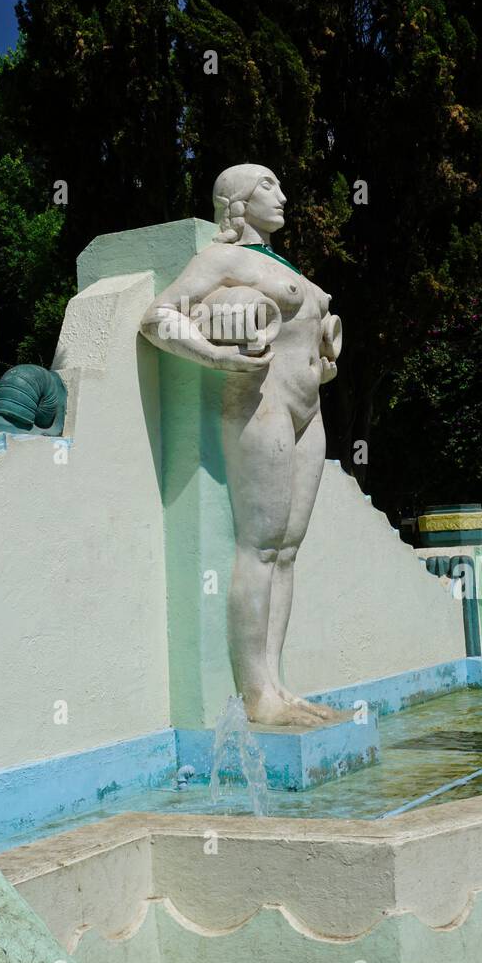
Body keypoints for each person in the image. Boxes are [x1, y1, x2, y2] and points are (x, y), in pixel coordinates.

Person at [140, 163, 342, 728]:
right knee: (258, 546)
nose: (282, 196)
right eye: (267, 187)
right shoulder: (223, 259)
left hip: (308, 409)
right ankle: (257, 694)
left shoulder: (279, 263)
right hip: (261, 404)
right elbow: (156, 318)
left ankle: (277, 684)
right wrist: (217, 357)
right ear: (236, 202)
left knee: (287, 549)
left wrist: (322, 363)